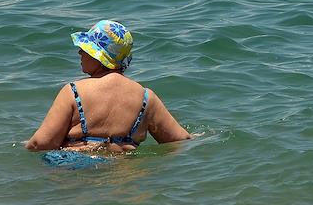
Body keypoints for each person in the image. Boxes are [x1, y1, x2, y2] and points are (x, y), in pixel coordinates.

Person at [25, 20, 191, 152]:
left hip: (77, 173)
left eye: (85, 49)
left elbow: (40, 143)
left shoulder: (73, 91)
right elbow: (180, 140)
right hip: (125, 175)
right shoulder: (147, 98)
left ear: (98, 56)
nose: (80, 52)